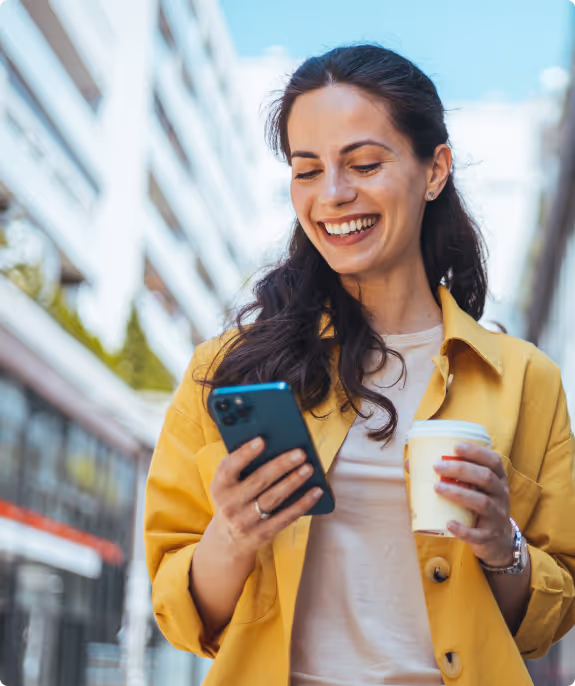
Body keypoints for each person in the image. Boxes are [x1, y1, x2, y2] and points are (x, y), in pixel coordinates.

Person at [144, 45, 575, 686]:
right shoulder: (228, 370)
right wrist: (233, 533)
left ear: (435, 171)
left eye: (365, 164)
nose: (334, 195)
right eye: (307, 170)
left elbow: (549, 616)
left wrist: (501, 545)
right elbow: (181, 616)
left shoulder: (523, 379)